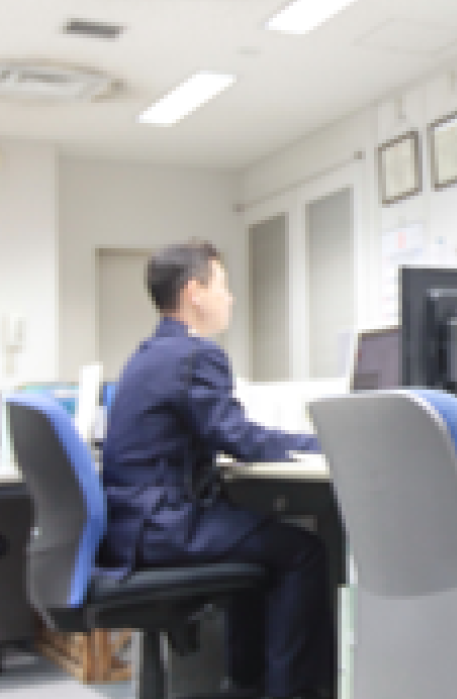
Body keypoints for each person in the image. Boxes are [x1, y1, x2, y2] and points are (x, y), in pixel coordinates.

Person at [100, 240, 333, 699]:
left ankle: (247, 683)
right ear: (195, 292)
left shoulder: (147, 354)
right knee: (303, 551)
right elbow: (238, 438)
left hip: (133, 525)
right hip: (165, 526)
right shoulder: (195, 354)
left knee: (259, 543)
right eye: (223, 286)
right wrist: (320, 443)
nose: (230, 298)